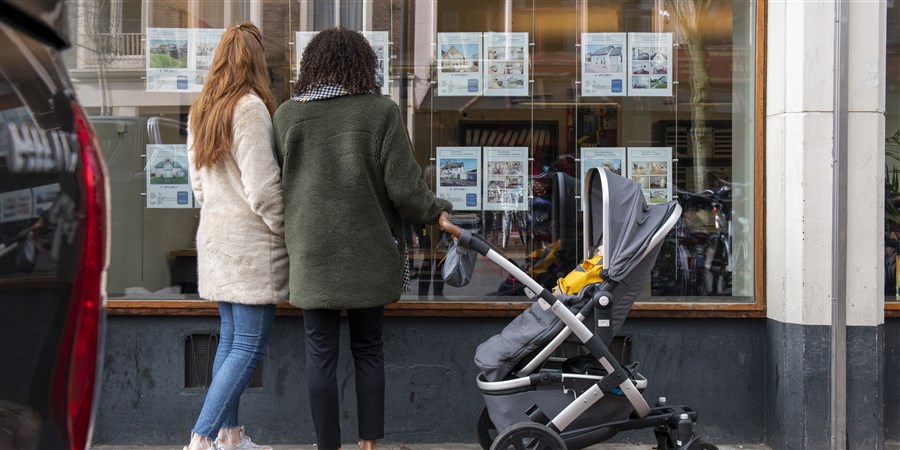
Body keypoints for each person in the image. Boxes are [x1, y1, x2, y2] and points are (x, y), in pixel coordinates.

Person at [273, 27, 452, 450]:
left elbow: (277, 186)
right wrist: (437, 210)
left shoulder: (286, 116)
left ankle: (327, 446)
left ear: (311, 66)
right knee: (369, 349)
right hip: (368, 251)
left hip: (311, 252)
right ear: (364, 65)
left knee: (320, 356)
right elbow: (405, 190)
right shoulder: (380, 112)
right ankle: (368, 444)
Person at [184, 21, 287, 450]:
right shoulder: (249, 108)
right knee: (247, 346)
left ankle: (229, 436)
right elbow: (263, 189)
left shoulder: (202, 110)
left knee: (230, 342)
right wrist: (287, 229)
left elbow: (199, 186)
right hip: (250, 246)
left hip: (216, 238)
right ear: (256, 62)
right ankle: (201, 439)